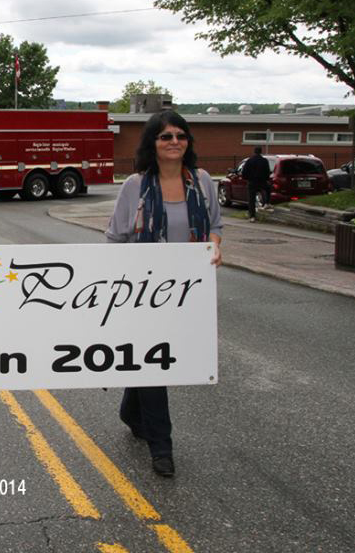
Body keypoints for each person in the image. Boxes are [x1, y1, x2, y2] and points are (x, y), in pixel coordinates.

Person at [105, 110, 222, 478]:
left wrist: (214, 247)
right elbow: (115, 237)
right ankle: (162, 447)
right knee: (155, 362)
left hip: (188, 291)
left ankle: (130, 410)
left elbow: (215, 225)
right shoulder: (136, 185)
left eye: (180, 136)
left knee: (156, 359)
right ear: (152, 143)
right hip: (142, 291)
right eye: (165, 136)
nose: (174, 142)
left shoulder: (202, 182)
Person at [240, 146, 272, 221]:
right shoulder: (264, 161)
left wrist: (247, 178)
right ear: (261, 152)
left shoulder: (249, 161)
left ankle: (252, 216)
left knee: (251, 199)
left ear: (254, 152)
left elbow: (244, 172)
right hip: (262, 181)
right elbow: (267, 172)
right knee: (268, 188)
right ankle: (267, 203)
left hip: (252, 182)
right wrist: (266, 179)